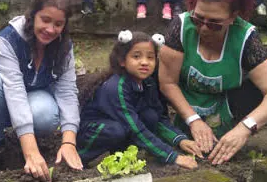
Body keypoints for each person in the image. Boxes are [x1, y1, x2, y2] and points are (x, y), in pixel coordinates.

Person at [159, 0, 267, 165]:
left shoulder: (245, 37)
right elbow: (167, 82)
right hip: (186, 106)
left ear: (233, 16)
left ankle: (227, 134)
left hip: (226, 107)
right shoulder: (181, 27)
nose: (203, 28)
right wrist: (193, 120)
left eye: (214, 23)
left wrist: (244, 128)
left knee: (256, 90)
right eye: (198, 18)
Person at [0, 0, 83, 182]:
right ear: (33, 15)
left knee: (46, 113)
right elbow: (14, 91)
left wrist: (69, 142)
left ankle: (20, 141)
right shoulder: (8, 39)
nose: (50, 29)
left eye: (58, 24)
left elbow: (67, 91)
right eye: (45, 20)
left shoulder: (64, 47)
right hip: (0, 98)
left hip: (32, 98)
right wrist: (30, 152)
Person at [76, 30, 200, 169]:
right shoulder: (117, 87)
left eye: (150, 57)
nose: (144, 62)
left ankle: (121, 155)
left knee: (150, 116)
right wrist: (172, 156)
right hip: (93, 131)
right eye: (136, 57)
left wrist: (180, 140)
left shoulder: (148, 83)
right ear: (122, 61)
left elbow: (159, 119)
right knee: (116, 130)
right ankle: (80, 157)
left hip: (122, 124)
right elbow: (134, 128)